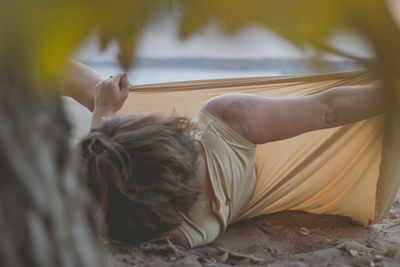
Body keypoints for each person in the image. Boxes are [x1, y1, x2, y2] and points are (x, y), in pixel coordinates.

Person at [62, 61, 387, 248]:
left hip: (195, 196)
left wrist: (103, 114)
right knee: (100, 94)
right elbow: (328, 110)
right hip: (227, 141)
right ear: (173, 129)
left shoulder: (182, 232)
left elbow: (94, 204)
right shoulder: (228, 118)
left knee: (102, 110)